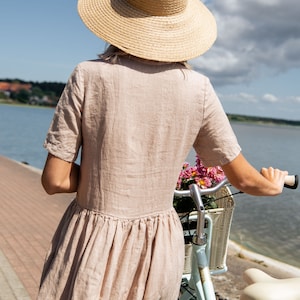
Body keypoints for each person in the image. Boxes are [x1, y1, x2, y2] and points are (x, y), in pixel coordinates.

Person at [38, 0, 288, 299]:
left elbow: (55, 180)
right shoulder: (198, 88)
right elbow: (246, 180)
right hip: (157, 245)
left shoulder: (88, 75)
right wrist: (272, 186)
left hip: (92, 238)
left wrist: (103, 180)